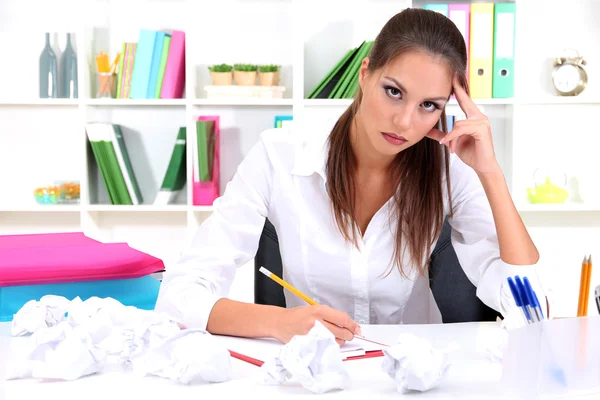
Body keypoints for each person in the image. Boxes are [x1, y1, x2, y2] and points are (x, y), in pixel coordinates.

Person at [155, 8, 542, 346]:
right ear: (366, 71)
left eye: (428, 105)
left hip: (411, 379)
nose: (405, 122)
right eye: (393, 91)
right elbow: (178, 295)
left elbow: (532, 310)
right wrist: (279, 322)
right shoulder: (280, 156)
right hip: (314, 374)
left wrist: (490, 174)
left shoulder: (449, 171)